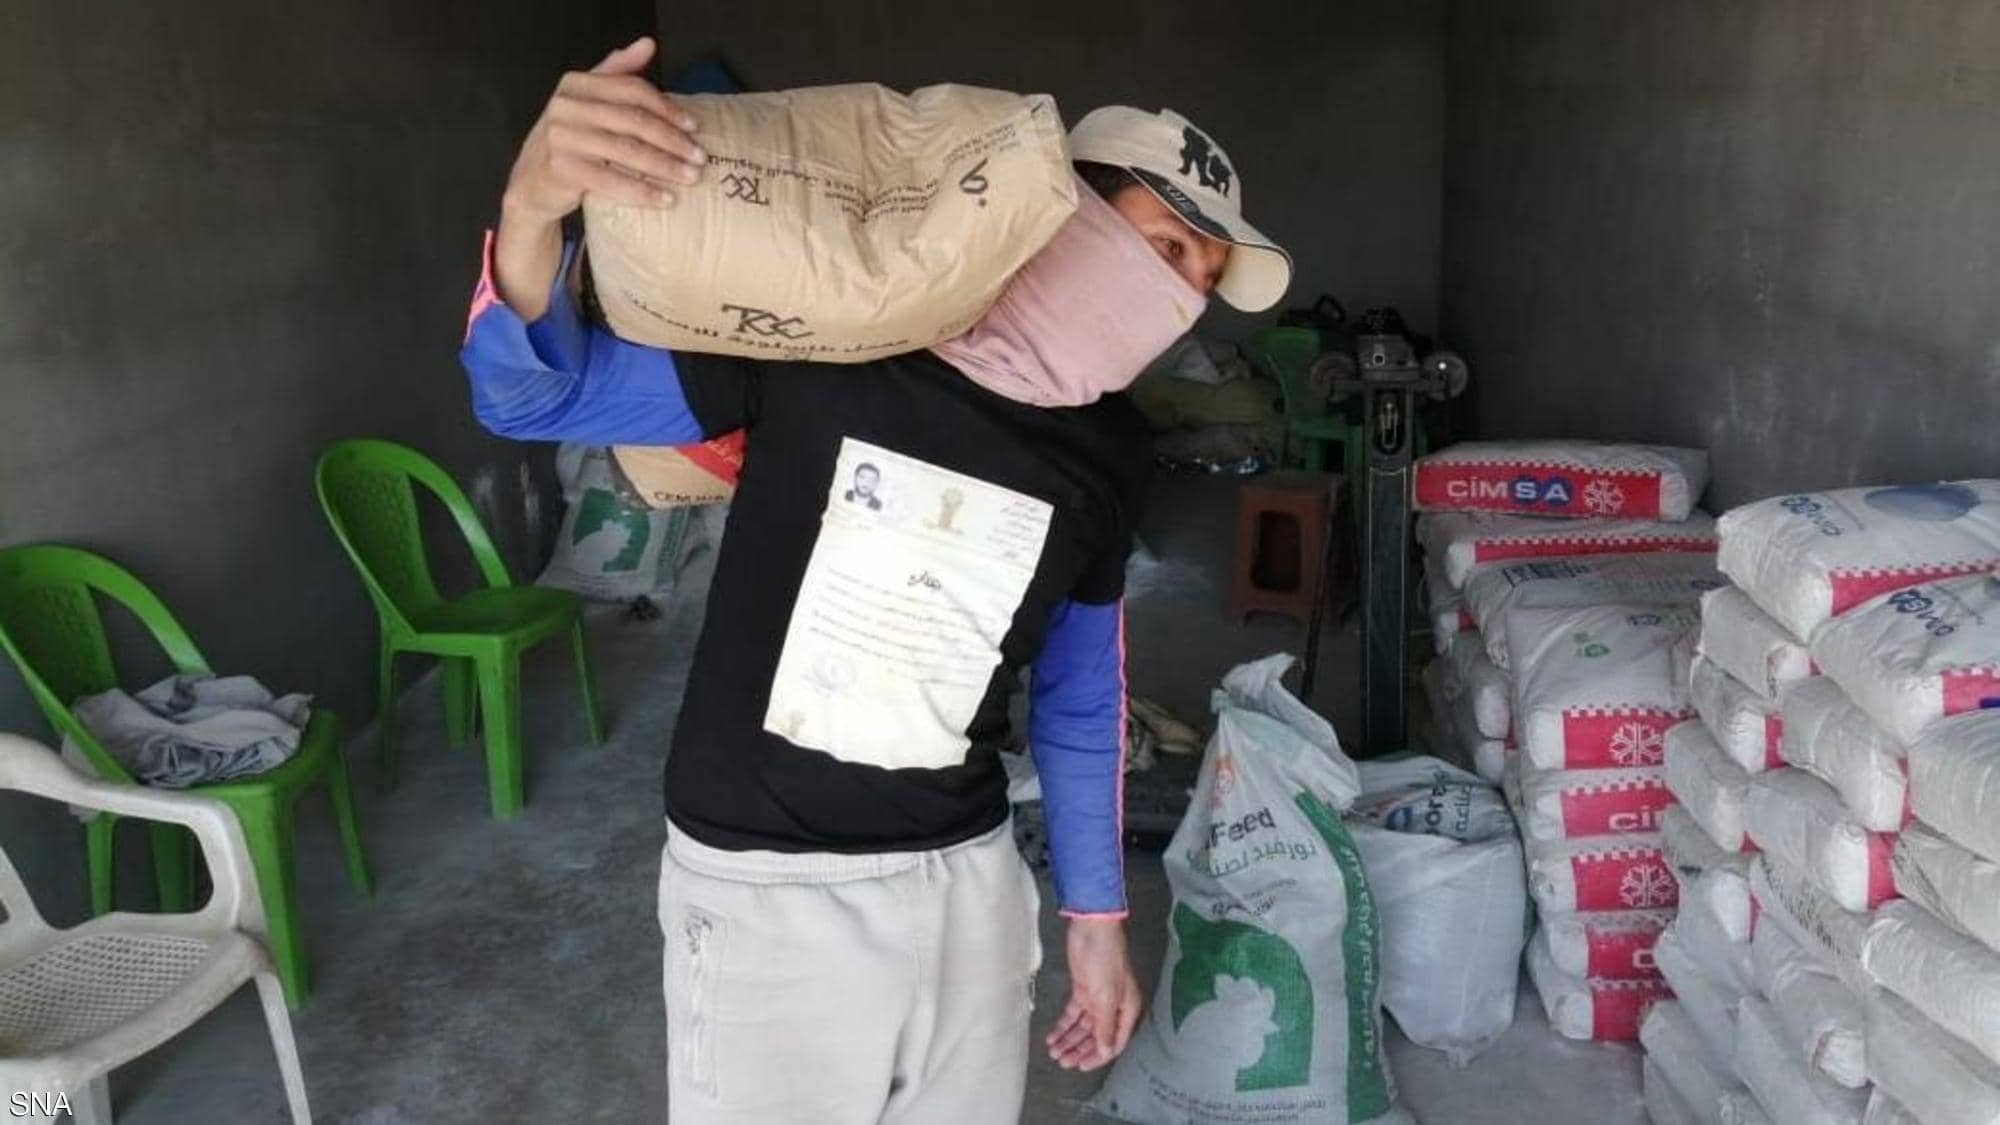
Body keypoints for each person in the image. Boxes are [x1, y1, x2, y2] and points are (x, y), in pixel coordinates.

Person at [458, 36, 1291, 1125]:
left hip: (966, 880)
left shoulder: (1108, 451)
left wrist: (1096, 919)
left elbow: (1081, 695)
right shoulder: (840, 346)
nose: (1177, 295)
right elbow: (530, 399)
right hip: (766, 887)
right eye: (1166, 245)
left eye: (1202, 281)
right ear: (1067, 211)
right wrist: (530, 208)